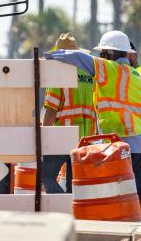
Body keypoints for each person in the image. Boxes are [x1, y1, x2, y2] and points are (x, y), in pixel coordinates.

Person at [46, 30, 141, 199]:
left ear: (108, 54)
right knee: (133, 201)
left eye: (102, 53)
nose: (101, 56)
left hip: (117, 148)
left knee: (114, 200)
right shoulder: (139, 77)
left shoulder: (106, 68)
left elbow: (79, 58)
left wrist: (51, 56)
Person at [41, 33, 98, 193]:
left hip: (63, 135)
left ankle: (64, 212)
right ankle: (73, 213)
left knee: (46, 177)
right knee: (74, 184)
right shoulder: (89, 73)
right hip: (85, 137)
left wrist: (45, 137)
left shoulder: (58, 74)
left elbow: (51, 110)